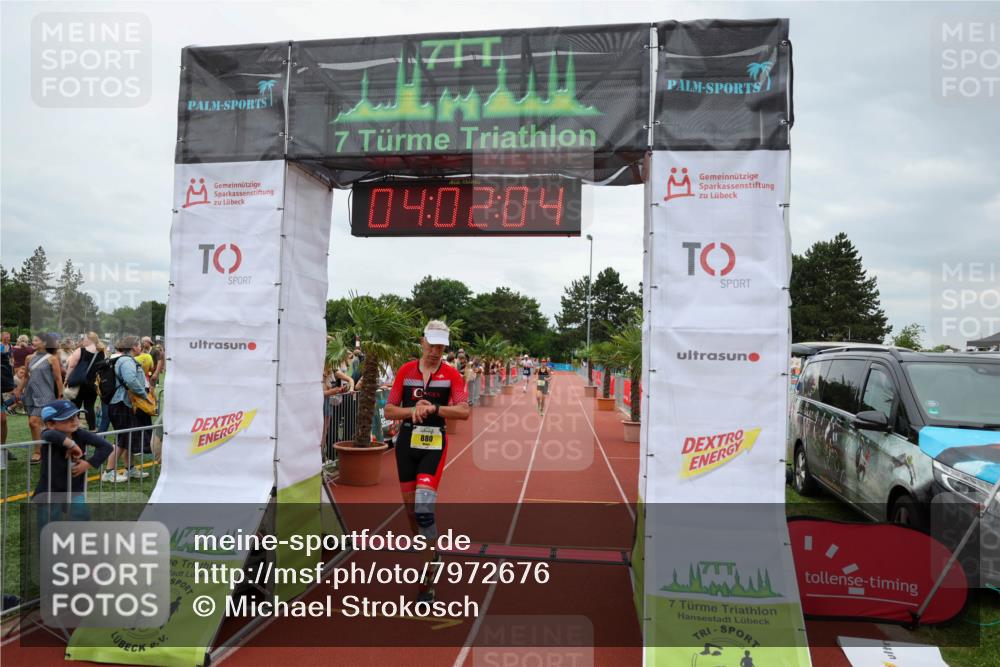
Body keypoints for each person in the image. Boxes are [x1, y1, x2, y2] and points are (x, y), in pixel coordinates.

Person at [383, 320, 470, 603]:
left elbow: (463, 411)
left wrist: (434, 408)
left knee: (423, 509)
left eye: (441, 346)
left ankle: (427, 575)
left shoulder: (451, 374)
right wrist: (411, 411)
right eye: (431, 345)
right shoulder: (406, 371)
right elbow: (389, 409)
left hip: (434, 443)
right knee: (411, 512)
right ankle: (430, 551)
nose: (435, 351)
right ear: (422, 342)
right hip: (407, 444)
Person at [33, 399, 113, 524]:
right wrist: (71, 444)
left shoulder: (80, 433)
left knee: (82, 515)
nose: (74, 421)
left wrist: (88, 464)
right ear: (50, 424)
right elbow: (47, 435)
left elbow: (106, 446)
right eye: (66, 418)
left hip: (74, 488)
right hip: (49, 490)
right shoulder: (48, 434)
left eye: (75, 416)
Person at [102, 336, 154, 483]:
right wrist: (145, 395)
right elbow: (131, 380)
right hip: (121, 403)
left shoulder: (124, 360)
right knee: (123, 438)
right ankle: (109, 471)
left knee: (129, 437)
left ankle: (129, 468)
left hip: (123, 403)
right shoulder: (126, 361)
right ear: (133, 347)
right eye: (138, 345)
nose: (141, 347)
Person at [15, 333, 64, 463]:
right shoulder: (29, 358)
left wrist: (60, 395)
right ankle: (42, 448)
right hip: (30, 395)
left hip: (46, 395)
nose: (33, 342)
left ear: (44, 343)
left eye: (36, 340)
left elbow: (58, 379)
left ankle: (39, 452)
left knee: (34, 422)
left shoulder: (52, 358)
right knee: (34, 425)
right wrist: (18, 391)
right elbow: (26, 376)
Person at [63, 332, 106, 431]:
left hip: (79, 383)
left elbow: (71, 366)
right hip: (92, 384)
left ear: (90, 340)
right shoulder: (102, 352)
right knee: (89, 407)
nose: (83, 340)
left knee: (75, 406)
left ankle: (74, 428)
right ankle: (92, 429)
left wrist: (66, 379)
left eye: (85, 339)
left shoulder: (80, 351)